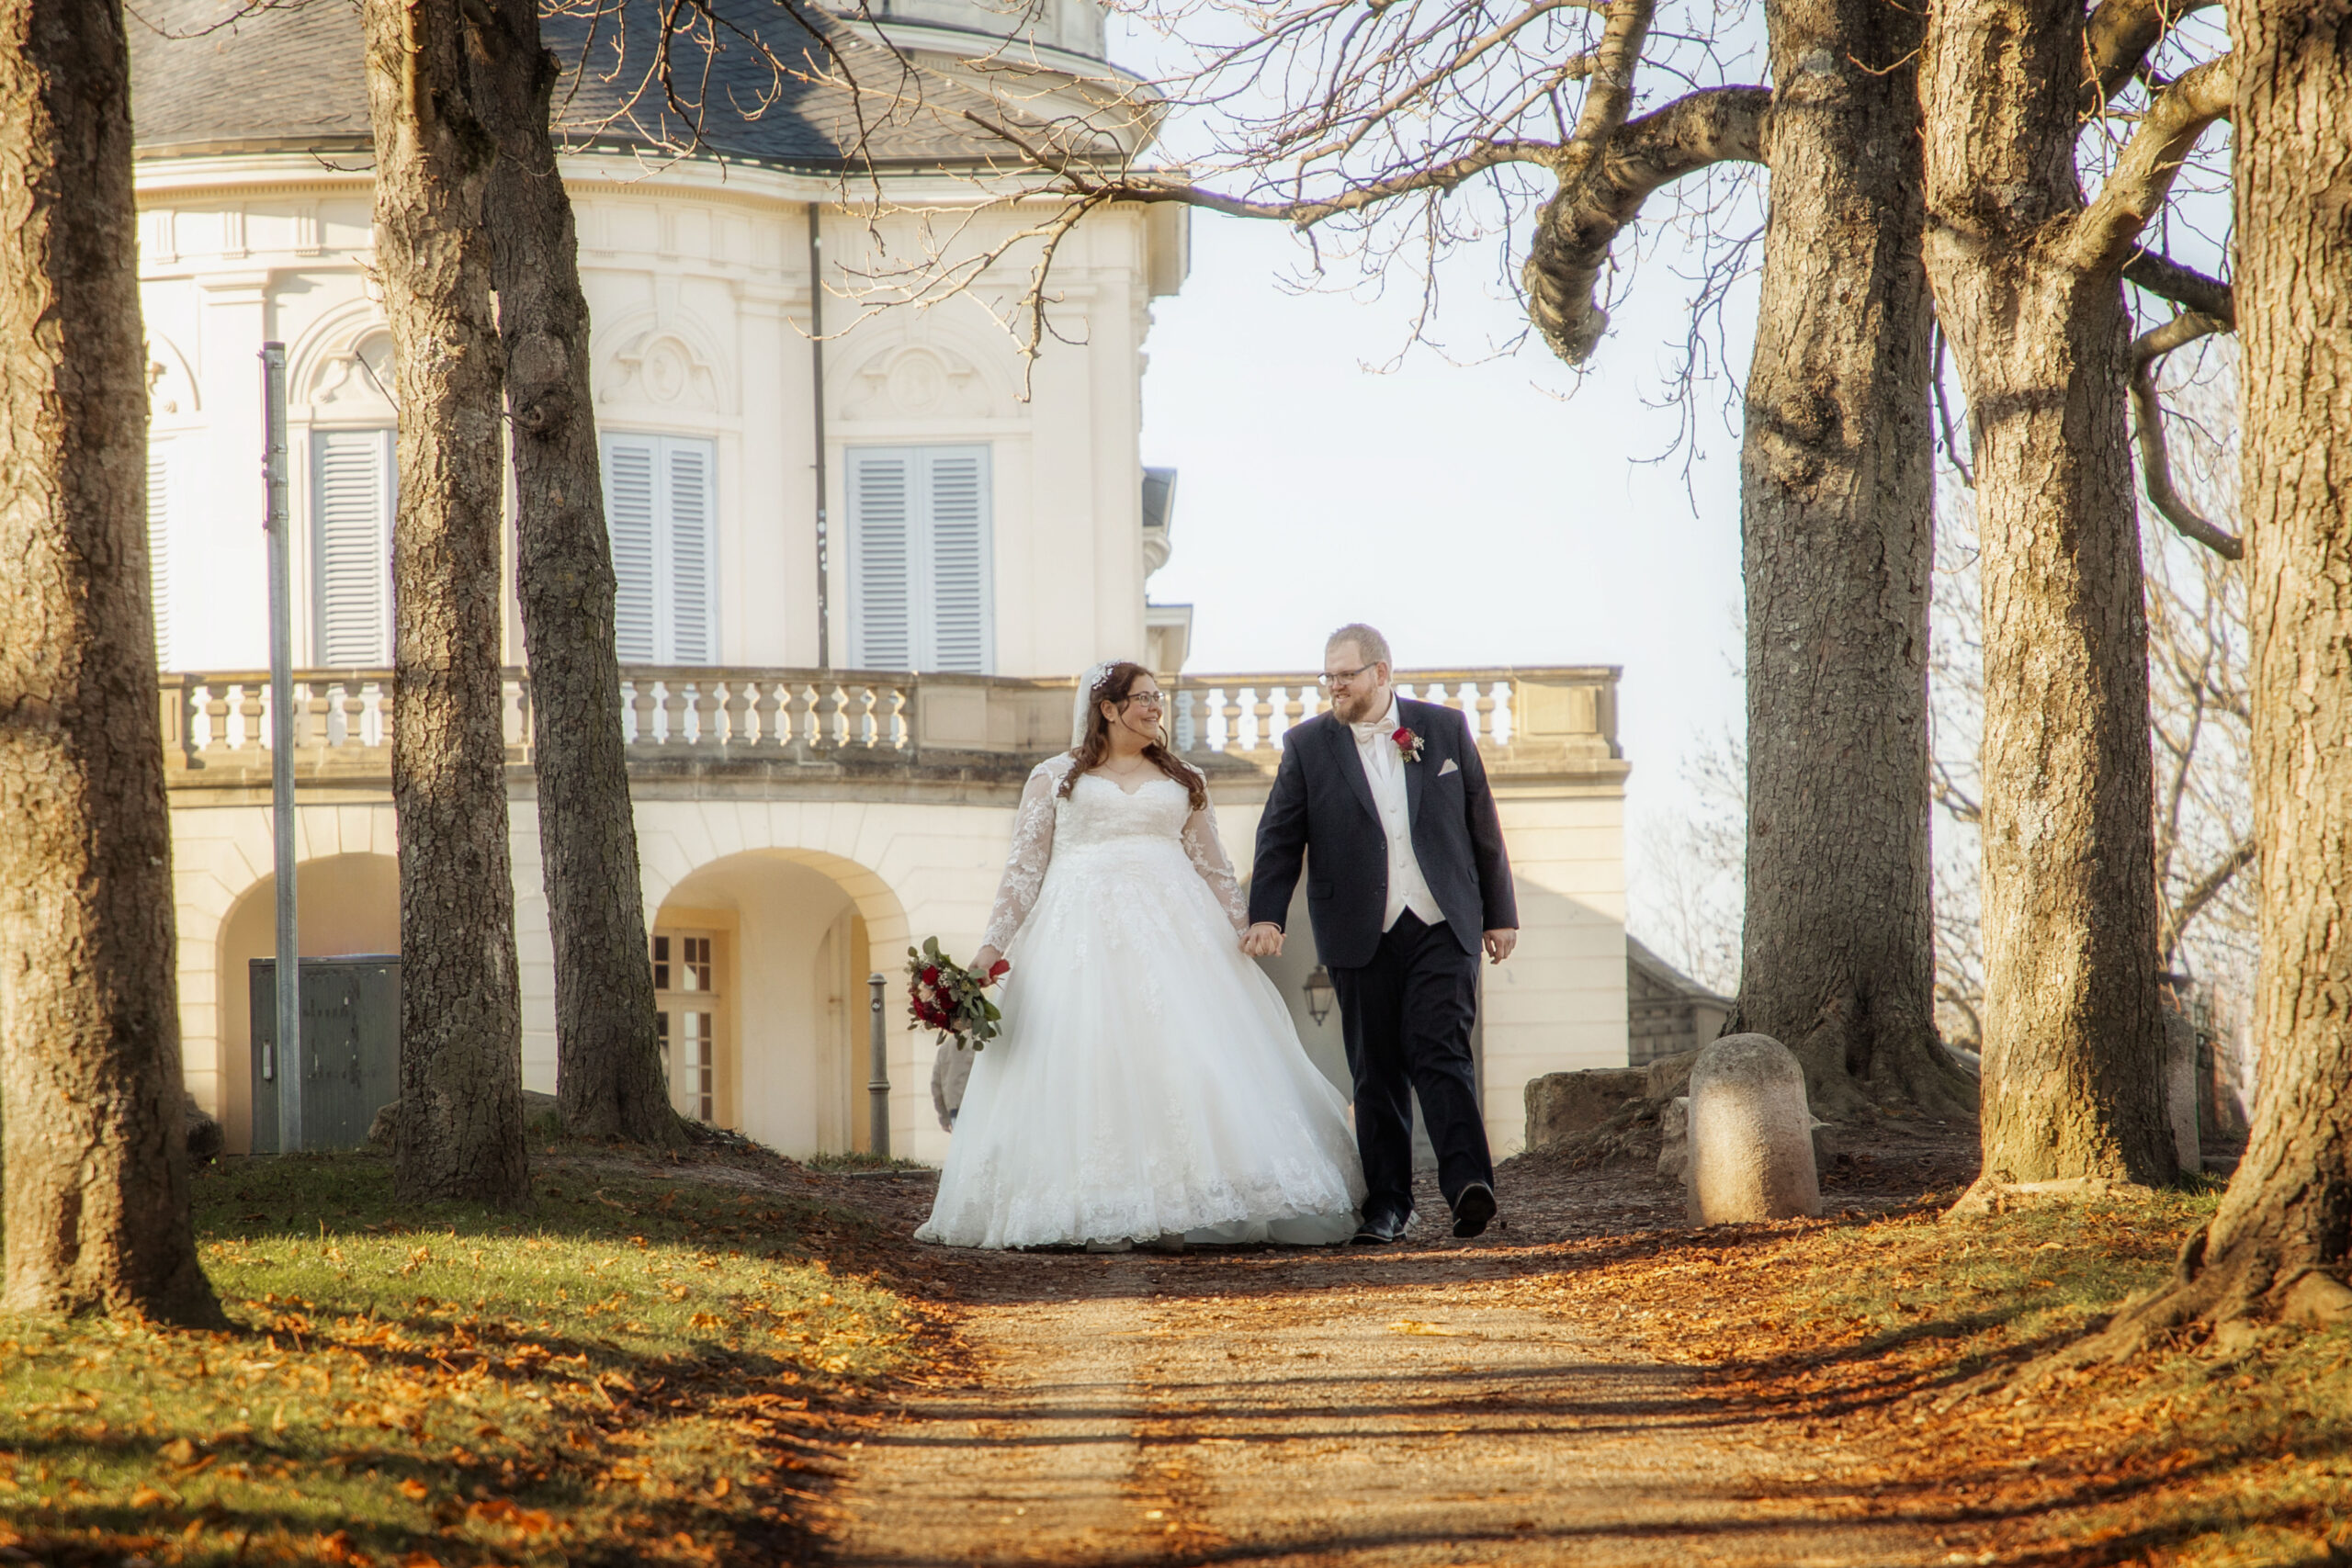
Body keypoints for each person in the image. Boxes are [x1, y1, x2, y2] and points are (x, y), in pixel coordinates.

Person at [915, 660, 1365, 1250]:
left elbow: (1214, 867)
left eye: (1159, 697)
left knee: (1184, 1057)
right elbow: (1022, 874)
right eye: (1144, 698)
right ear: (1108, 708)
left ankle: (1186, 1198)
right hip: (1078, 936)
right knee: (1088, 1059)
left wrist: (1251, 924)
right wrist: (988, 953)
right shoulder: (1053, 779)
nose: (1157, 707)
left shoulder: (1184, 779)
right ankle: (1090, 1201)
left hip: (1176, 933)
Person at [1242, 624, 1518, 1243]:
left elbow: (1483, 824)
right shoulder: (1308, 746)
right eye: (1328, 676)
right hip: (1358, 930)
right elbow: (1279, 836)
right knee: (1376, 1069)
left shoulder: (1442, 729)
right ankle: (1388, 1204)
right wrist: (1267, 913)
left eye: (1345, 674)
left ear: (1382, 673)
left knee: (1442, 1048)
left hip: (1442, 919)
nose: (1334, 686)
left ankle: (1468, 1185)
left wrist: (1500, 913)